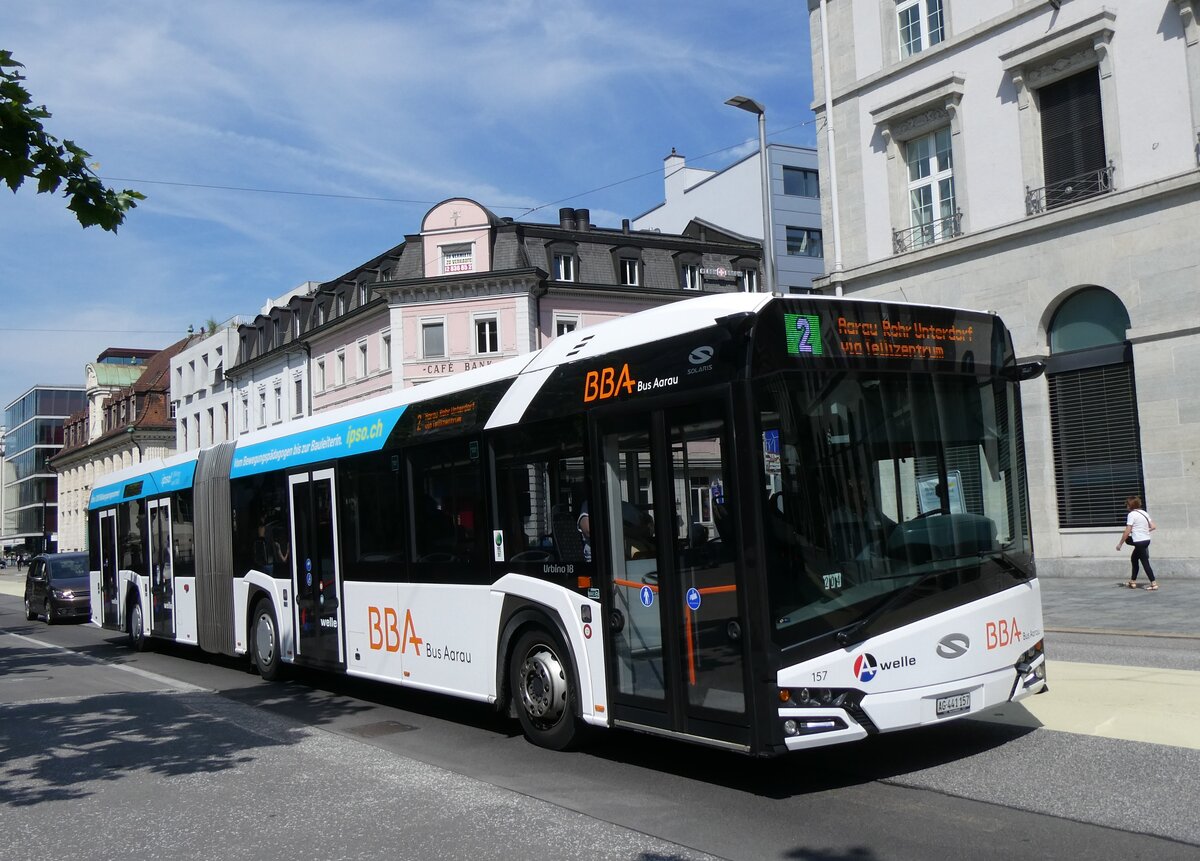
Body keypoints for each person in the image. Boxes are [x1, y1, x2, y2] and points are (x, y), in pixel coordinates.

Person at [1116, 496, 1157, 590]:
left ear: (1130, 505)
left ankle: (1153, 583)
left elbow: (1127, 530)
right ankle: (1133, 581)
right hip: (1146, 540)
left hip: (1139, 541)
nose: (1126, 507)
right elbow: (1153, 526)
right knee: (1134, 559)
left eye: (1127, 505)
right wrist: (1143, 531)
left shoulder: (1131, 515)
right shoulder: (1144, 513)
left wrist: (1120, 544)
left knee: (1145, 562)